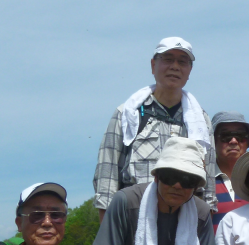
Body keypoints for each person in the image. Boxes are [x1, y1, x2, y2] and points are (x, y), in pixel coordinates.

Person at [94, 36, 219, 221]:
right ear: (153, 65)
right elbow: (107, 176)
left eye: (182, 62)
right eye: (168, 59)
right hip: (134, 218)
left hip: (184, 220)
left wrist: (202, 227)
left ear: (189, 70)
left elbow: (207, 184)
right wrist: (109, 233)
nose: (175, 66)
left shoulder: (200, 121)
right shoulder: (128, 113)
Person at [211, 111, 249, 228]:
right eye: (226, 136)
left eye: (241, 136)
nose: (234, 141)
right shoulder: (200, 181)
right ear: (213, 140)